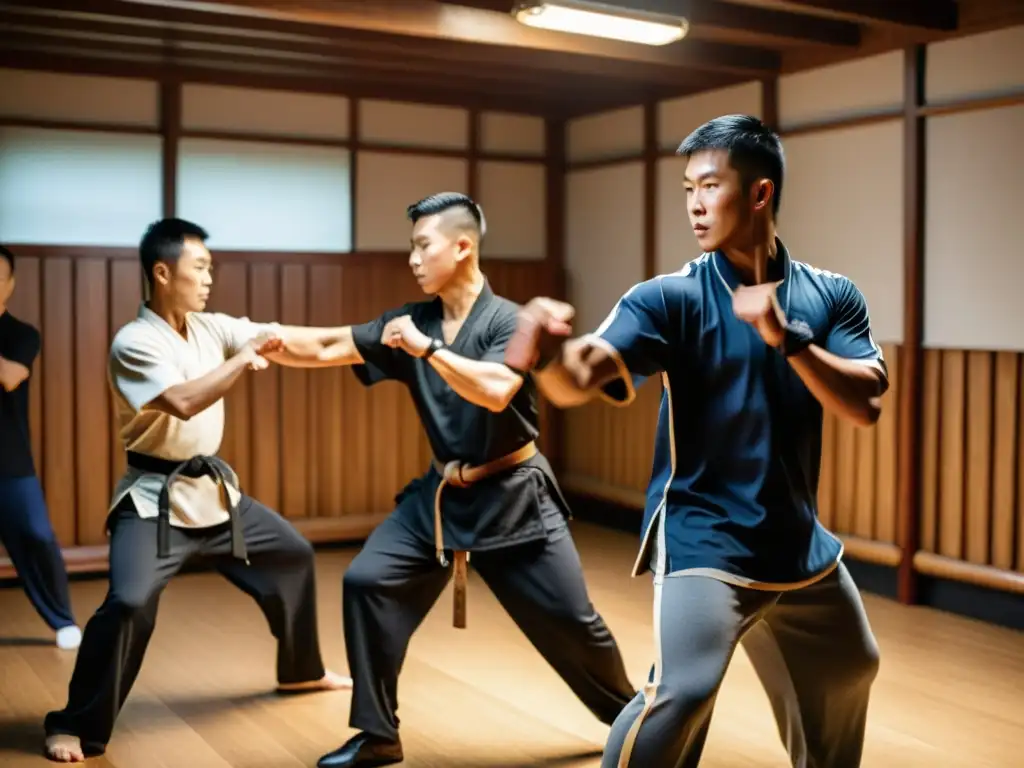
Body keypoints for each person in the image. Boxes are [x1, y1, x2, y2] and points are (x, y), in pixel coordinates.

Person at [506, 115, 883, 768]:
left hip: (798, 542)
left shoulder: (830, 296)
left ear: (760, 194)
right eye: (687, 189)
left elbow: (867, 400)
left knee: (852, 666)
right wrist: (549, 360)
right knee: (684, 691)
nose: (696, 204)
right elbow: (585, 374)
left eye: (710, 186)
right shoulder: (668, 299)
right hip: (704, 537)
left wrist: (788, 339)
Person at [269, 192, 635, 768]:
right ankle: (377, 734)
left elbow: (495, 389)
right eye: (411, 248)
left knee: (572, 623)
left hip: (514, 496)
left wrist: (429, 350)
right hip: (441, 498)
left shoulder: (509, 320)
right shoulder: (409, 322)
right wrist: (255, 334)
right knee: (368, 581)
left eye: (422, 245)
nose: (413, 259)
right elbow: (326, 345)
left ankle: (639, 721)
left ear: (462, 246)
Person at [43, 218, 353, 763]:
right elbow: (183, 401)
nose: (210, 278)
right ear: (163, 273)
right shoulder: (133, 341)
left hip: (214, 495)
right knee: (129, 601)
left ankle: (301, 671)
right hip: (153, 499)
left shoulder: (210, 327)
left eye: (211, 268)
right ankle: (74, 723)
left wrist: (370, 341)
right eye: (200, 267)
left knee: (293, 556)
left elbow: (298, 342)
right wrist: (241, 359)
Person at [0, 245, 82, 651]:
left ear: (10, 284)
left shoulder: (21, 334)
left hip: (10, 460)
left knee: (37, 535)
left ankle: (62, 619)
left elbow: (9, 376)